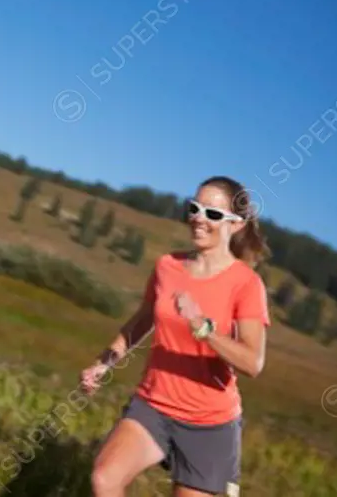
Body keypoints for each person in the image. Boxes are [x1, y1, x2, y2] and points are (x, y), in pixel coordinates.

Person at [81, 176, 271, 497]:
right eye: (195, 208)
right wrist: (106, 362)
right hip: (153, 405)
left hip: (209, 423)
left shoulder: (246, 284)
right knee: (105, 479)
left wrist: (202, 326)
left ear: (235, 224)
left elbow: (252, 362)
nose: (198, 218)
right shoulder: (168, 266)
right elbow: (141, 322)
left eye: (212, 213)